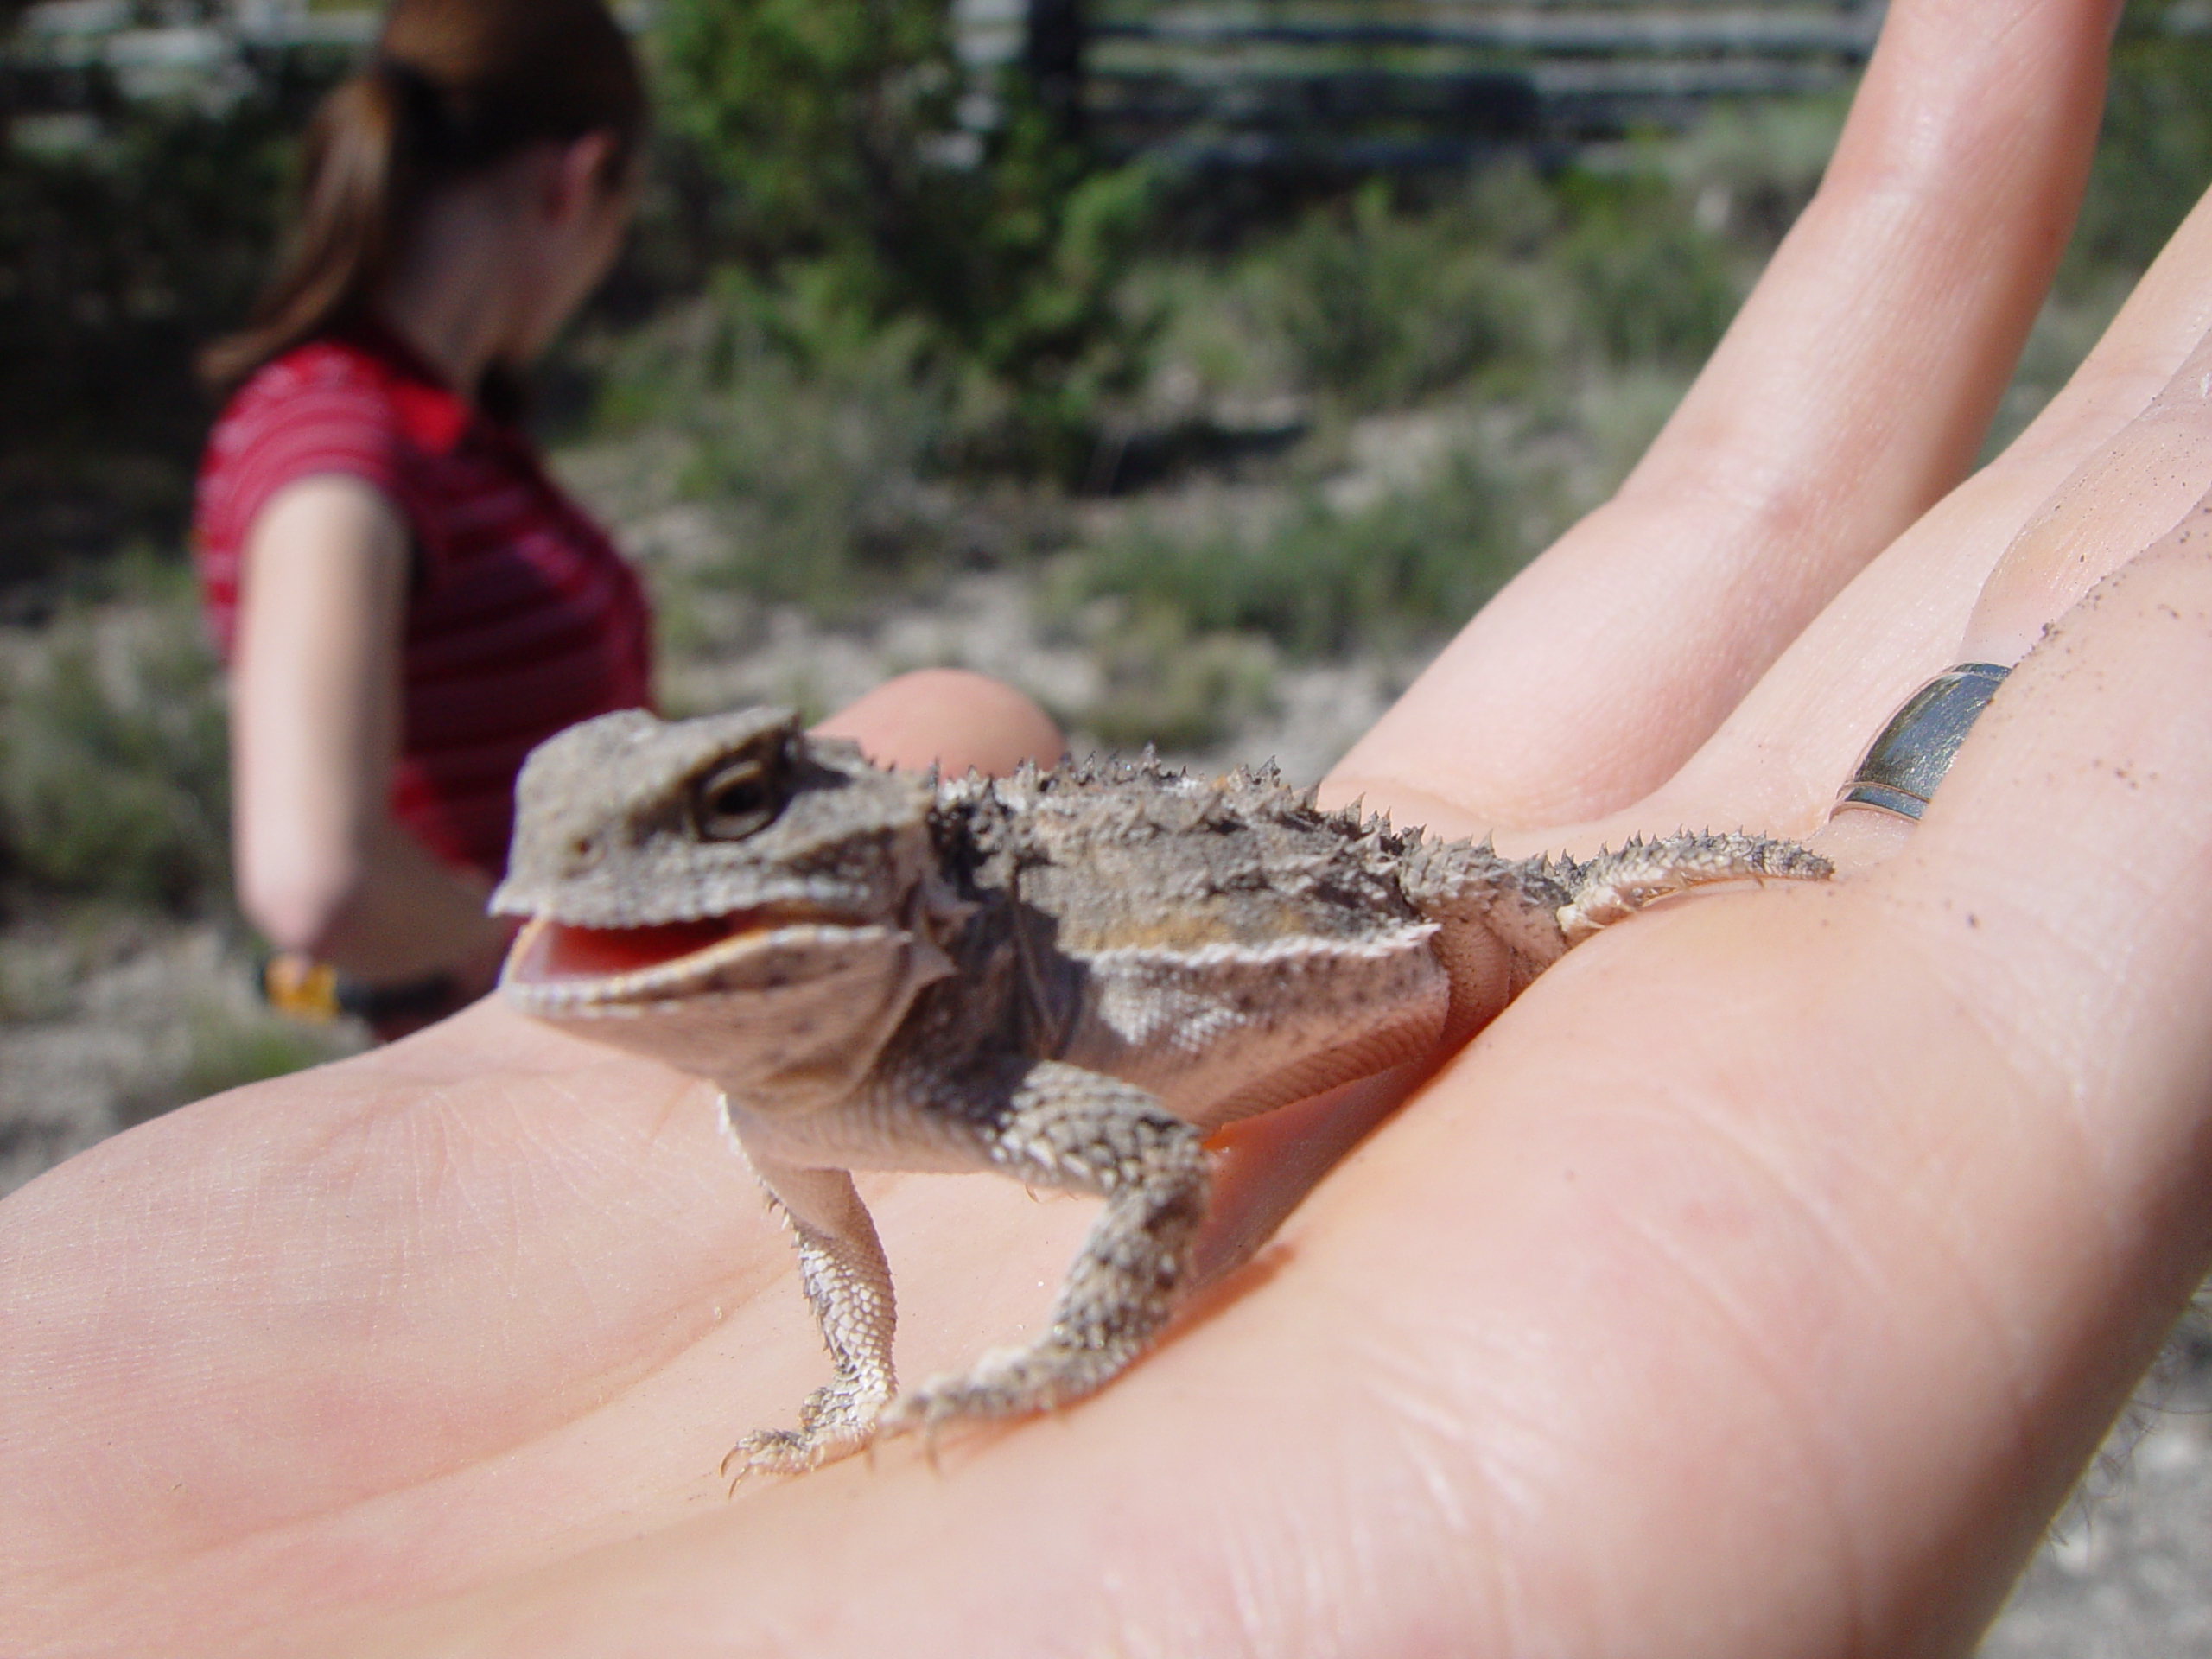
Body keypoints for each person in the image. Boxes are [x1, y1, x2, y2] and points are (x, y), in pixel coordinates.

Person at [3, 0, 2207, 1650]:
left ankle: (1614, 876)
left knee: (1555, 890)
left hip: (1338, 906)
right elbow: (842, 1216)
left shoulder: (955, 1032)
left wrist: (1051, 1364)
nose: (586, 899)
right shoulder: (777, 1096)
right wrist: (874, 1387)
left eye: (735, 813)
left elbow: (1142, 1155)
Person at [193, 0, 655, 1035]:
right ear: (576, 184)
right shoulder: (336, 438)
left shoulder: (436, 426)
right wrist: (521, 947)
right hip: (484, 1073)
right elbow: (318, 877)